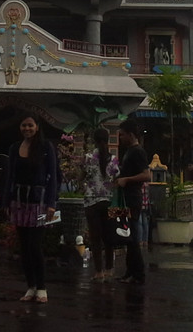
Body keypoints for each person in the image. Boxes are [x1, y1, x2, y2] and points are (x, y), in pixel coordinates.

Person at [0, 114, 59, 303]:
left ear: (37, 127)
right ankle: (30, 286)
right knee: (23, 247)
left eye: (30, 125)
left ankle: (42, 287)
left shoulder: (46, 147)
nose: (27, 128)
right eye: (24, 125)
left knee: (35, 245)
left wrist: (51, 204)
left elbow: (54, 176)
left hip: (39, 201)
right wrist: (5, 202)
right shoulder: (15, 148)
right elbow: (10, 177)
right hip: (18, 201)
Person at [115, 118, 150, 285]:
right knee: (126, 234)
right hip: (124, 198)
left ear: (130, 134)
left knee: (133, 236)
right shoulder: (129, 151)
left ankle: (138, 273)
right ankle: (130, 271)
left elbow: (146, 175)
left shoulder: (138, 152)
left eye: (122, 135)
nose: (120, 138)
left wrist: (127, 179)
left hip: (133, 198)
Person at [83, 127, 119, 282]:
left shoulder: (88, 157)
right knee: (109, 237)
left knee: (95, 238)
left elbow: (84, 175)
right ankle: (109, 269)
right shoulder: (114, 159)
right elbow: (117, 178)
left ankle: (98, 272)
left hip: (91, 201)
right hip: (110, 201)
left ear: (94, 140)